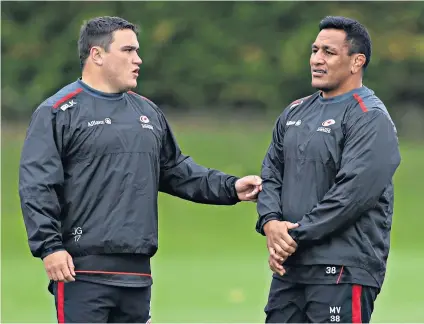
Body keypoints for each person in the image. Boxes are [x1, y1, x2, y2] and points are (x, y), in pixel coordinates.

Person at [19, 16, 262, 323]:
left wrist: (231, 187)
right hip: (81, 272)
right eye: (128, 50)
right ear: (97, 54)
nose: (138, 59)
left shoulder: (147, 112)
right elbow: (37, 185)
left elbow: (176, 170)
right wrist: (49, 247)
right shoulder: (57, 112)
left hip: (136, 275)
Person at [256, 16, 401, 323]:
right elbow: (270, 173)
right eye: (314, 50)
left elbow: (352, 195)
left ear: (356, 61)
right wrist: (270, 222)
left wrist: (294, 235)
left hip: (344, 270)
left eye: (328, 52)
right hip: (292, 268)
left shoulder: (370, 117)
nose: (316, 59)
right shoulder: (294, 112)